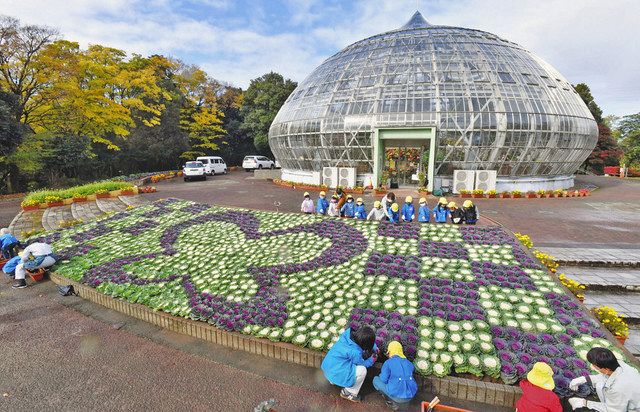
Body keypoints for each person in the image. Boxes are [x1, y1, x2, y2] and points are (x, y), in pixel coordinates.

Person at [567, 347, 640, 411]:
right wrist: (585, 379)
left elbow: (614, 410)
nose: (592, 366)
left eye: (594, 365)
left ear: (606, 369)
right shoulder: (619, 365)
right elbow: (606, 377)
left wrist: (585, 403)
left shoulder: (618, 388)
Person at [321, 326, 378, 403]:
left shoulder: (346, 336)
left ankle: (333, 381)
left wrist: (374, 347)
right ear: (365, 344)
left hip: (328, 370)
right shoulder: (355, 352)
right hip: (335, 374)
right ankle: (348, 393)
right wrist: (371, 360)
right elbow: (362, 364)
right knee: (362, 370)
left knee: (343, 362)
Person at [373, 341, 418, 410]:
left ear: (390, 351)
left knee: (376, 380)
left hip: (397, 396)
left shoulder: (388, 362)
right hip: (410, 395)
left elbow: (383, 380)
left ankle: (391, 402)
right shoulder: (409, 363)